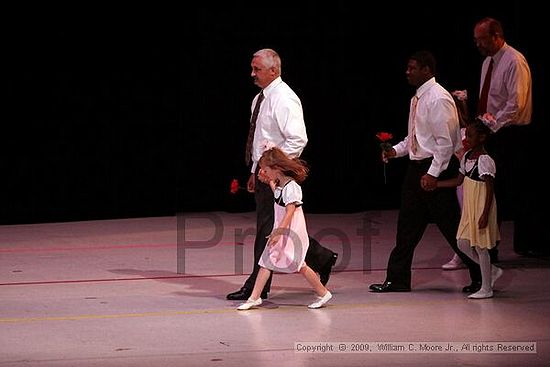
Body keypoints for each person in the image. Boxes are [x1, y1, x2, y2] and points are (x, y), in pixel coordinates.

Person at [227, 48, 338, 301]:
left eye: (257, 69)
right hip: (266, 173)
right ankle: (321, 258)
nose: (252, 73)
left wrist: (275, 169)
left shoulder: (284, 98)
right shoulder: (260, 99)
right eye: (253, 68)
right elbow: (260, 140)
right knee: (274, 227)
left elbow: (298, 139)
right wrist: (257, 170)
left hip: (278, 177)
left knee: (267, 228)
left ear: (273, 70)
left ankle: (257, 285)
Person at [369, 50, 483, 294]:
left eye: (412, 68)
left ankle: (482, 274)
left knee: (451, 226)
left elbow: (444, 142)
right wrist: (396, 151)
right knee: (407, 227)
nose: (407, 72)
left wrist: (432, 174)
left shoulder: (438, 98)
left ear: (427, 70)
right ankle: (397, 279)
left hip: (436, 169)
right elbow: (417, 138)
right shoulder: (418, 98)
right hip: (418, 169)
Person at [237, 147, 333, 310]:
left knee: (299, 265)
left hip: (291, 231)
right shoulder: (281, 184)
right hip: (283, 229)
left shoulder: (292, 187)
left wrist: (278, 232)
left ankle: (323, 293)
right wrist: (268, 182)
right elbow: (277, 196)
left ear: (276, 168)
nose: (264, 173)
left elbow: (289, 211)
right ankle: (254, 297)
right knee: (266, 261)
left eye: (266, 170)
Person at [473, 17, 533, 257]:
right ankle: (489, 246)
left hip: (511, 134)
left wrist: (490, 127)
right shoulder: (488, 62)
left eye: (482, 40)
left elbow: (514, 105)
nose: (478, 45)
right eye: (476, 40)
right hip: (492, 132)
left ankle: (523, 242)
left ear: (497, 36)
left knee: (509, 190)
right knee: (489, 189)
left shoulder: (514, 61)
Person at [436, 119, 503, 299]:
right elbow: (458, 181)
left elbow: (489, 190)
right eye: (466, 135)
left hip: (481, 206)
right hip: (469, 207)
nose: (467, 138)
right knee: (462, 243)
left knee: (481, 247)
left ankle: (486, 288)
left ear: (482, 137)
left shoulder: (485, 160)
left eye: (470, 136)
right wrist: (437, 184)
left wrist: (485, 214)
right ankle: (492, 271)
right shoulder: (467, 157)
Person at [441, 90, 470, 271]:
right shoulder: (453, 131)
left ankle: (465, 254)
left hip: (469, 180)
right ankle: (461, 254)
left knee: (466, 218)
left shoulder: (465, 132)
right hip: (462, 181)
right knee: (462, 217)